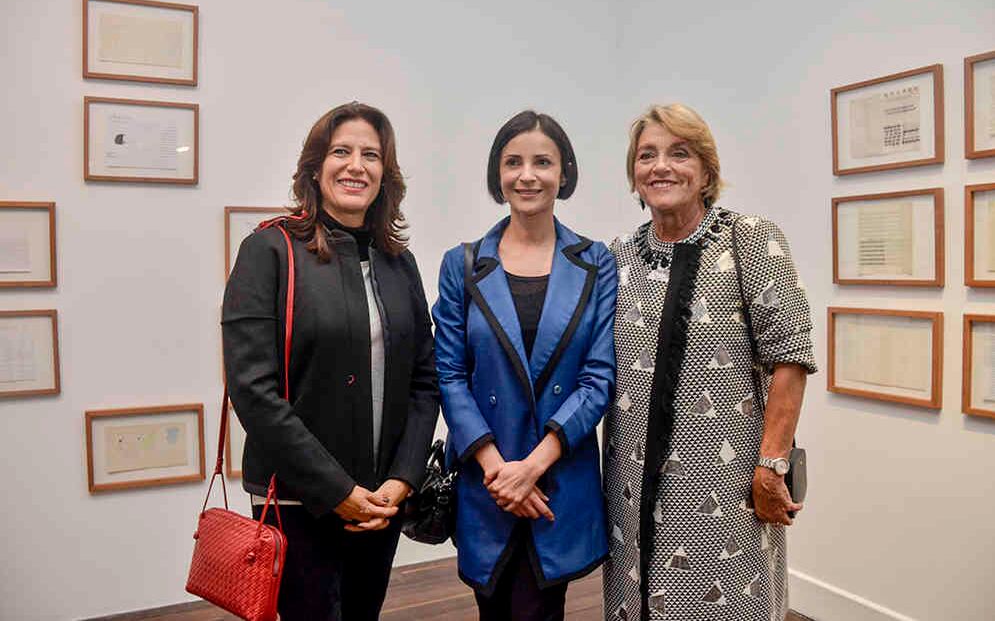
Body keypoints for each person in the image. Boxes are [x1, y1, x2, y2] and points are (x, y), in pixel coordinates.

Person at [222, 101, 439, 621]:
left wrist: (403, 479)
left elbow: (425, 381)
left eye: (371, 154)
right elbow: (253, 389)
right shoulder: (268, 251)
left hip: (381, 501)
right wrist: (337, 490)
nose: (355, 165)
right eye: (341, 151)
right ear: (315, 167)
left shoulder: (398, 261)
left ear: (385, 174)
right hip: (299, 501)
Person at [602, 104, 816, 621]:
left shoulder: (750, 238)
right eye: (647, 155)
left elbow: (791, 356)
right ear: (634, 173)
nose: (661, 167)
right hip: (631, 486)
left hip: (725, 486)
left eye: (679, 153)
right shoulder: (618, 255)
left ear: (706, 170)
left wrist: (772, 465)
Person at [433, 110, 616, 620]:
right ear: (498, 173)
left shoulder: (596, 262)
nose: (527, 175)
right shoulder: (463, 264)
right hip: (486, 483)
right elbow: (449, 374)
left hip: (554, 481)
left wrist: (531, 469)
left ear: (564, 173)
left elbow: (598, 378)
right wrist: (499, 472)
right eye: (513, 162)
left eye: (542, 162)